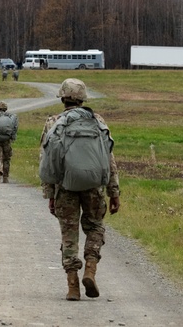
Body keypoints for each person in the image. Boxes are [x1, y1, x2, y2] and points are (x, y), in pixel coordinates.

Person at [40, 78, 120, 301]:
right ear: (84, 98)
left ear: (63, 97)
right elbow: (109, 159)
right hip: (94, 187)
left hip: (64, 187)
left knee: (69, 235)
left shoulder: (53, 122)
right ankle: (91, 269)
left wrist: (50, 194)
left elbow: (46, 160)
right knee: (95, 227)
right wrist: (114, 192)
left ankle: (73, 285)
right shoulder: (98, 121)